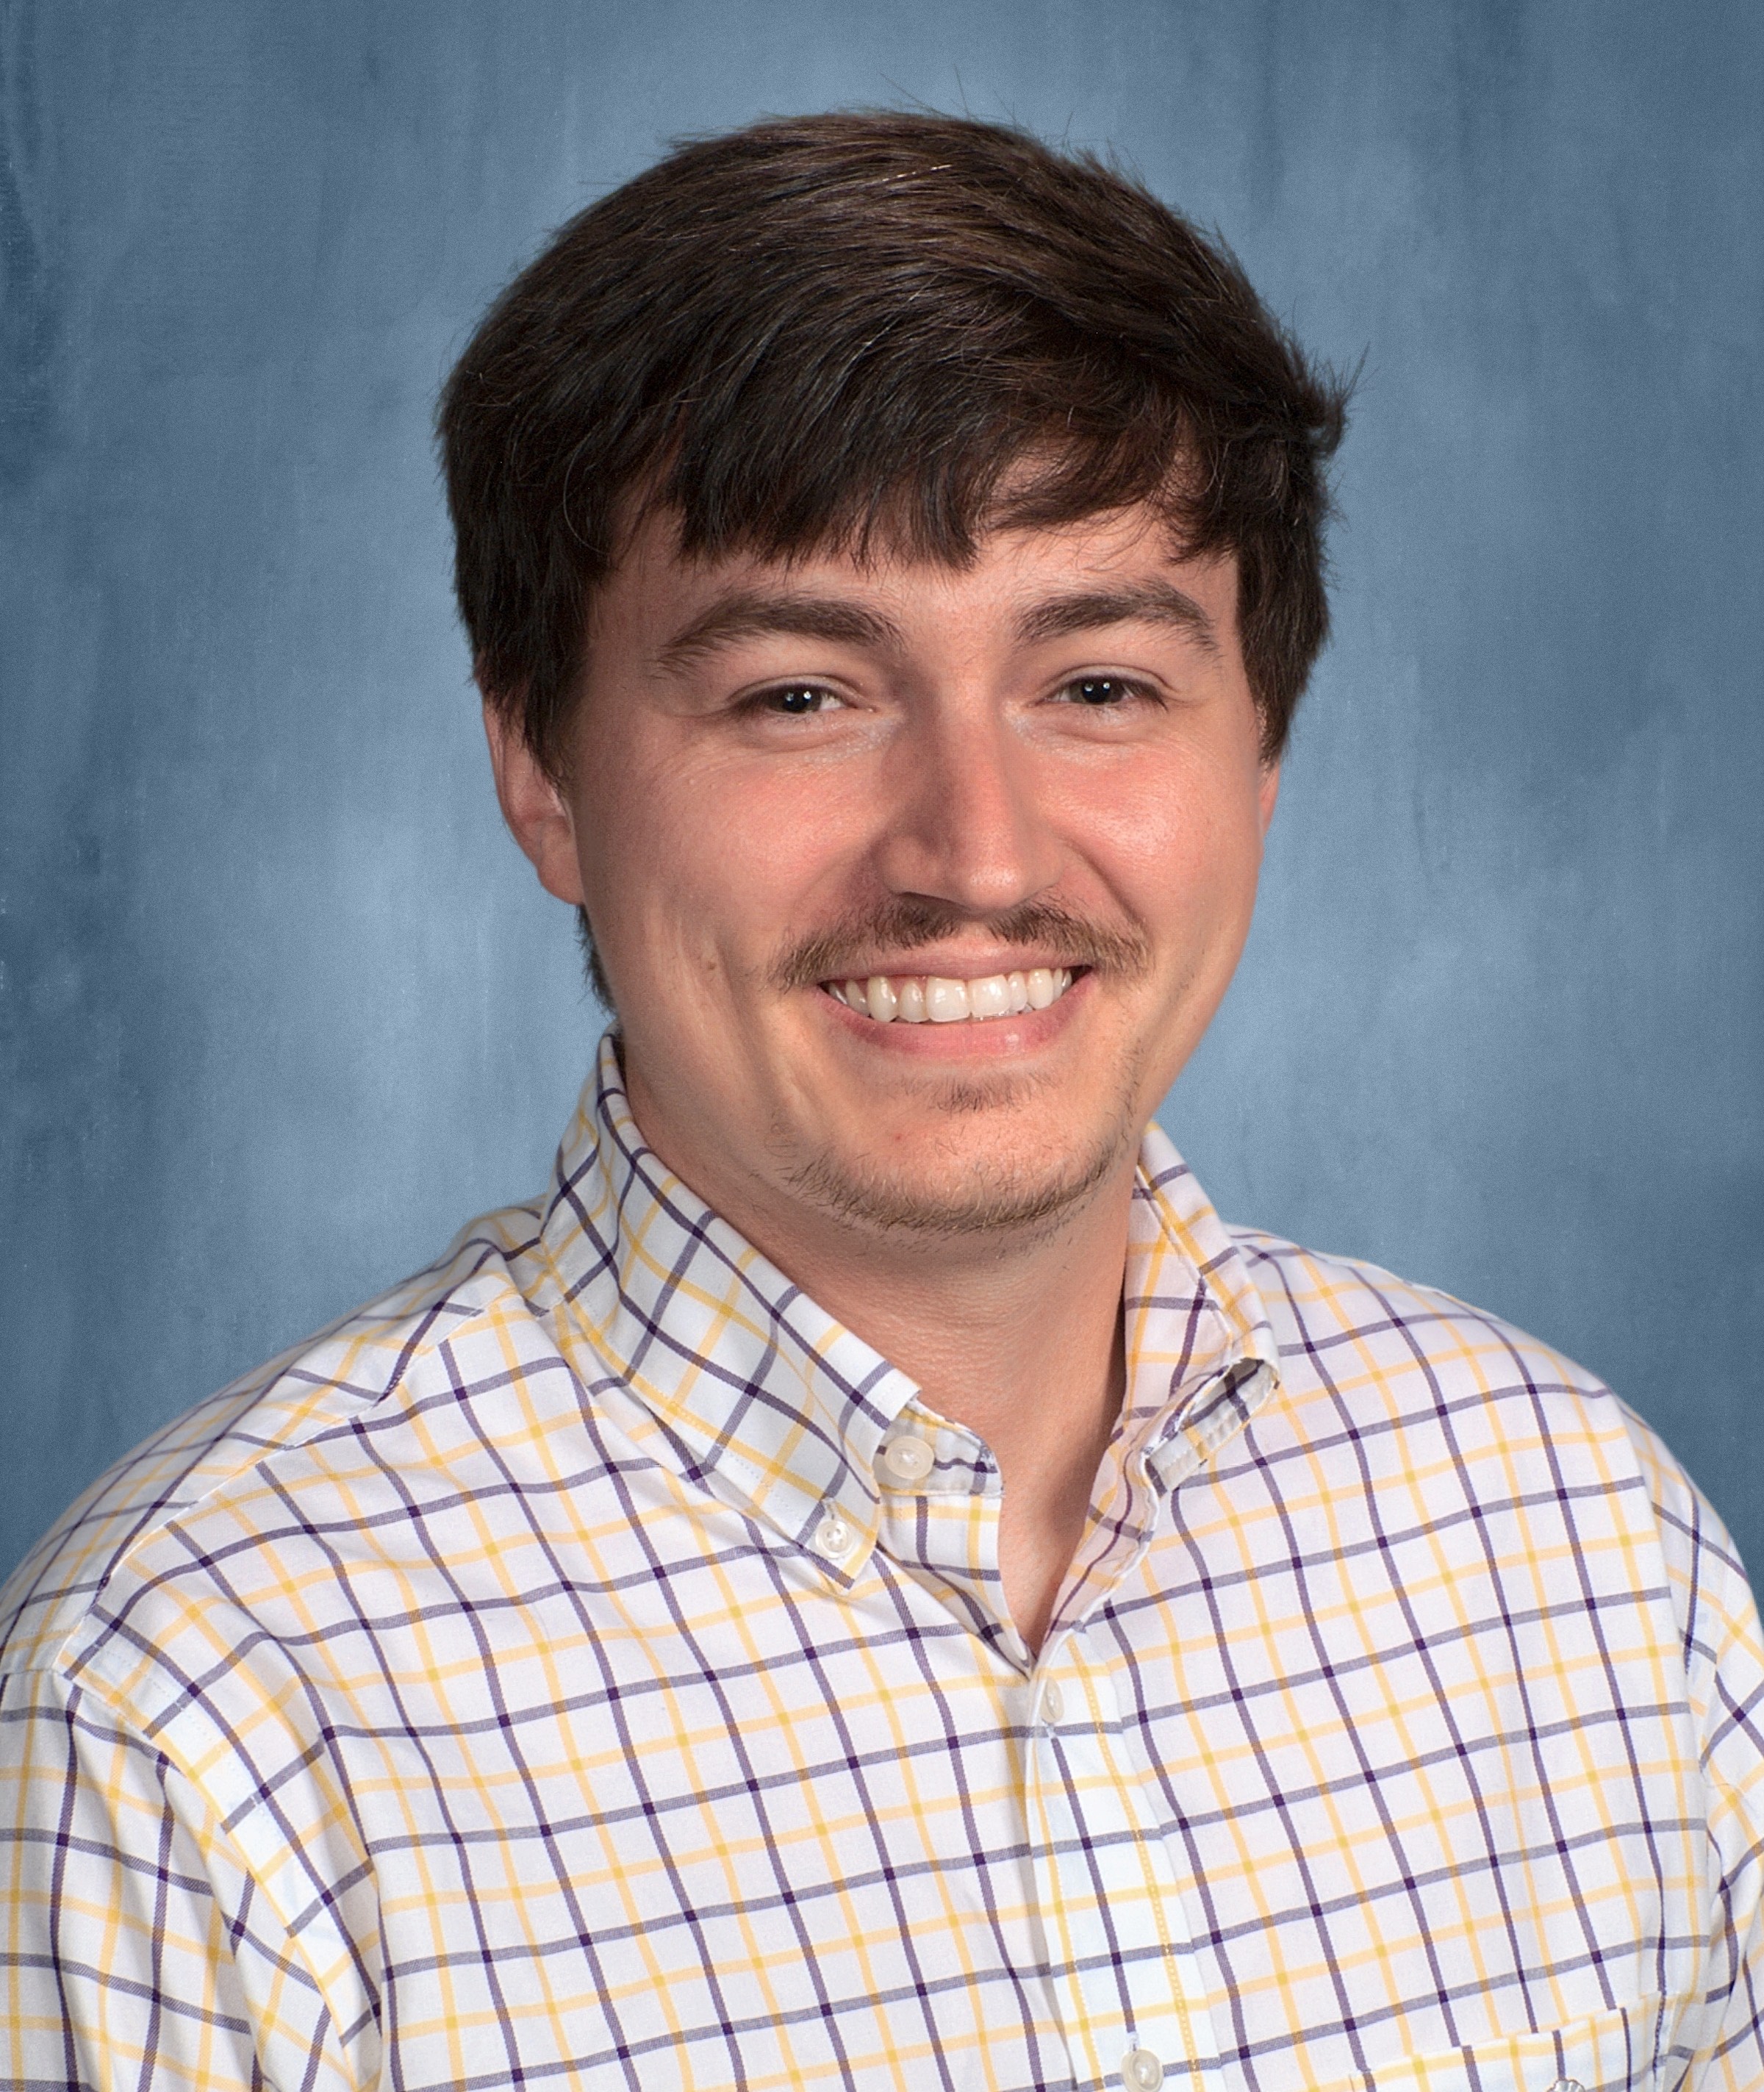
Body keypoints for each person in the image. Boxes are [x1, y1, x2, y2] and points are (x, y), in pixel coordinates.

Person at [3, 110, 1760, 2092]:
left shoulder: (1585, 1548)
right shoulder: (191, 1717)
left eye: (1097, 684)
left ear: (1261, 752)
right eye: (799, 696)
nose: (974, 850)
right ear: (542, 769)